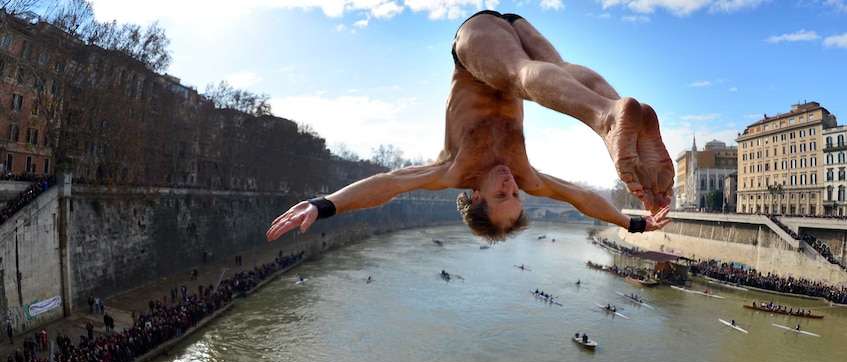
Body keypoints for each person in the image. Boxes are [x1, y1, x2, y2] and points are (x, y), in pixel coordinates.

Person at [267, 10, 672, 244]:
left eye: (502, 193)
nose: (511, 183)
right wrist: (633, 222)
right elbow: (579, 196)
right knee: (559, 72)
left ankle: (607, 118)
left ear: (475, 195)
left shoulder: (450, 169)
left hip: (476, 42)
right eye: (515, 193)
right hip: (519, 29)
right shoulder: (525, 175)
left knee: (517, 76)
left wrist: (324, 205)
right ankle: (622, 113)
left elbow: (386, 186)